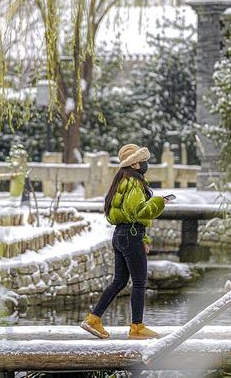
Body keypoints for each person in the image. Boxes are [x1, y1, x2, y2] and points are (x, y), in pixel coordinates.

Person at [80, 143, 172, 340]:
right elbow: (137, 212)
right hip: (131, 236)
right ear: (136, 165)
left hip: (120, 235)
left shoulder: (121, 182)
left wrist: (144, 238)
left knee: (120, 281)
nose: (146, 164)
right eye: (143, 161)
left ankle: (93, 318)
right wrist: (158, 202)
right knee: (139, 282)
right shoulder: (135, 184)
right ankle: (137, 326)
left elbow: (125, 216)